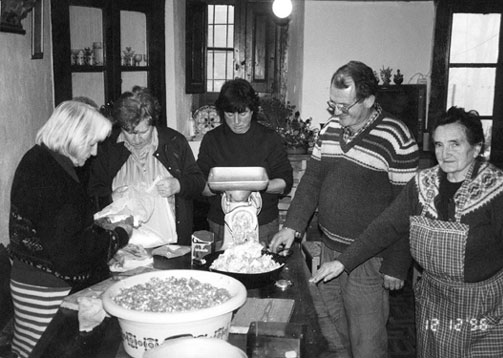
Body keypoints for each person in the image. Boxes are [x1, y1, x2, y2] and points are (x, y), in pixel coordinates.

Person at [310, 106, 503, 357]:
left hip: (483, 307)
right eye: (438, 145)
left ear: (476, 148)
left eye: (454, 144)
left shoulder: (498, 189)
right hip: (435, 300)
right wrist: (342, 263)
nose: (445, 153)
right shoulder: (423, 183)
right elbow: (386, 226)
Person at [270, 60, 419, 358]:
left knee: (367, 342)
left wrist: (396, 263)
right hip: (328, 250)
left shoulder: (396, 137)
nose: (337, 113)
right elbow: (311, 180)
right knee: (334, 333)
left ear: (369, 100)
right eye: (332, 105)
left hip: (369, 258)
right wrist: (292, 225)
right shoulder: (329, 130)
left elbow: (406, 209)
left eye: (345, 107)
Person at [7, 101, 133, 358]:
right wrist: (119, 235)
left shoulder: (45, 160)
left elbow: (65, 222)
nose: (95, 151)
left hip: (35, 281)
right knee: (46, 352)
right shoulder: (48, 174)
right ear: (73, 137)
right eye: (91, 143)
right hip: (45, 289)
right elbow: (73, 252)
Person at [89, 86, 205, 246]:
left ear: (152, 123)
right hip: (123, 244)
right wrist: (110, 197)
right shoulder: (108, 149)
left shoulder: (174, 143)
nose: (136, 140)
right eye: (129, 132)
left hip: (169, 243)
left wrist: (178, 185)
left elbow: (198, 182)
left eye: (143, 132)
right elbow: (91, 195)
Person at [197, 78, 293, 249]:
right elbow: (200, 186)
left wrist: (255, 185)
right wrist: (222, 186)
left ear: (253, 111)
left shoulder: (269, 139)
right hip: (221, 222)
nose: (236, 122)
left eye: (243, 114)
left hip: (262, 223)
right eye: (229, 114)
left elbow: (285, 182)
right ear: (221, 112)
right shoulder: (212, 140)